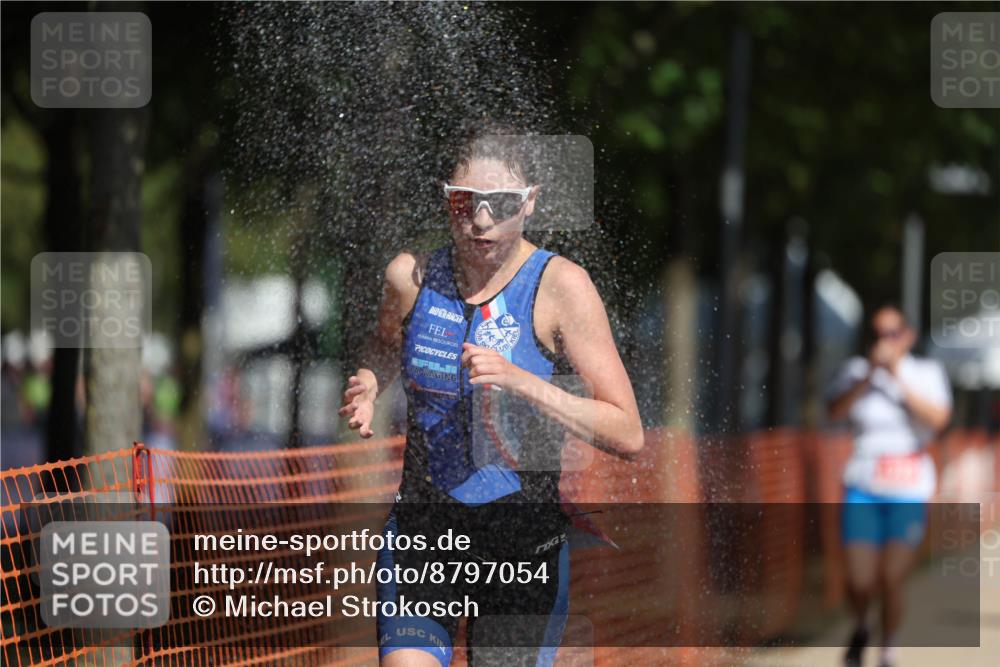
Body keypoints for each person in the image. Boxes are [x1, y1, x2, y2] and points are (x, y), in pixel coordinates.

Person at [340, 125, 643, 666]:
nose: (480, 220)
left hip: (521, 544)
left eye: (500, 204)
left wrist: (520, 380)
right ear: (445, 198)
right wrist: (370, 379)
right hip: (423, 532)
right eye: (464, 202)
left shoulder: (561, 287)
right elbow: (385, 343)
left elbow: (627, 431)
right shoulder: (412, 277)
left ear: (530, 203)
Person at [827, 304, 952, 667]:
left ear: (908, 336)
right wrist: (869, 375)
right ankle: (862, 624)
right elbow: (833, 412)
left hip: (909, 487)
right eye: (878, 334)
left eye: (892, 333)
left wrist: (896, 374)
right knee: (859, 578)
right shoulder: (855, 371)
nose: (885, 341)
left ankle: (888, 647)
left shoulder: (926, 372)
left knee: (891, 577)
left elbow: (940, 419)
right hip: (863, 485)